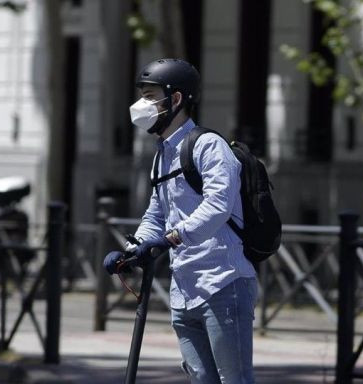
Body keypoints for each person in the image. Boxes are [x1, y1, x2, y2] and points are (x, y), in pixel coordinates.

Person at [103, 58, 258, 383]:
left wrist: (172, 238)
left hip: (223, 282)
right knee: (200, 379)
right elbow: (157, 212)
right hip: (184, 288)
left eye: (149, 96)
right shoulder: (163, 154)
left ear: (175, 99)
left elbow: (218, 205)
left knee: (235, 380)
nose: (141, 105)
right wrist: (135, 248)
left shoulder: (209, 146)